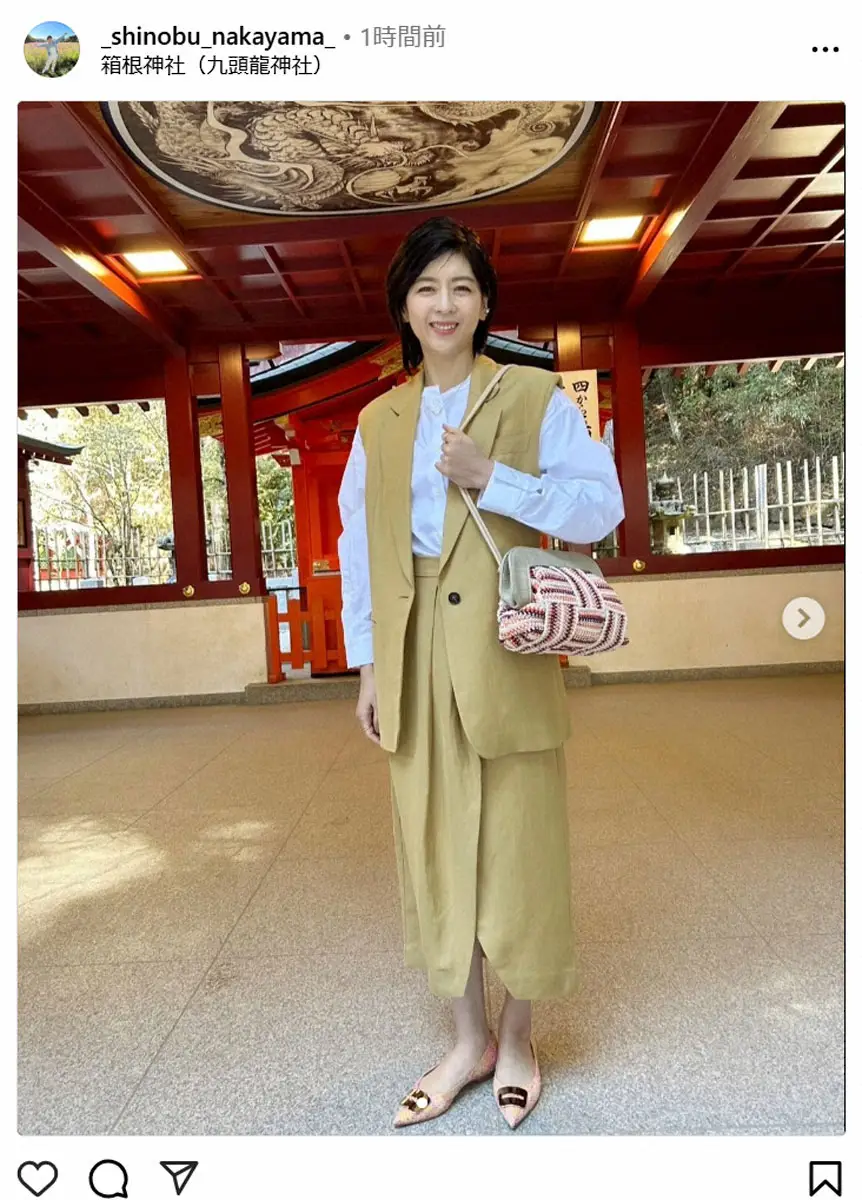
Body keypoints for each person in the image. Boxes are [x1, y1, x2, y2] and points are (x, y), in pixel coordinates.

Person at [337, 216, 625, 1130]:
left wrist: (493, 476)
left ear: (486, 303)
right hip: (414, 648)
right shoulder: (378, 420)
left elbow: (602, 507)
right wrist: (369, 664)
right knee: (434, 843)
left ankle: (519, 1036)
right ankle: (466, 1042)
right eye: (426, 288)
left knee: (521, 842)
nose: (444, 304)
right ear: (404, 309)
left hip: (507, 640)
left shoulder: (536, 396)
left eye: (461, 286)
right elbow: (358, 549)